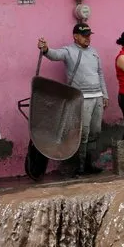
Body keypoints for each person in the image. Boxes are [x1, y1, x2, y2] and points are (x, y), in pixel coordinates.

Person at [37, 23, 108, 176]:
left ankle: (90, 163)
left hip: (97, 96)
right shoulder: (69, 51)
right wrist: (45, 49)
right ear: (75, 36)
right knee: (84, 132)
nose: (87, 38)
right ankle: (81, 166)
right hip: (81, 98)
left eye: (89, 35)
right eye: (84, 35)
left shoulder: (94, 52)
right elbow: (54, 55)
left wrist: (105, 94)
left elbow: (100, 74)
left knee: (95, 131)